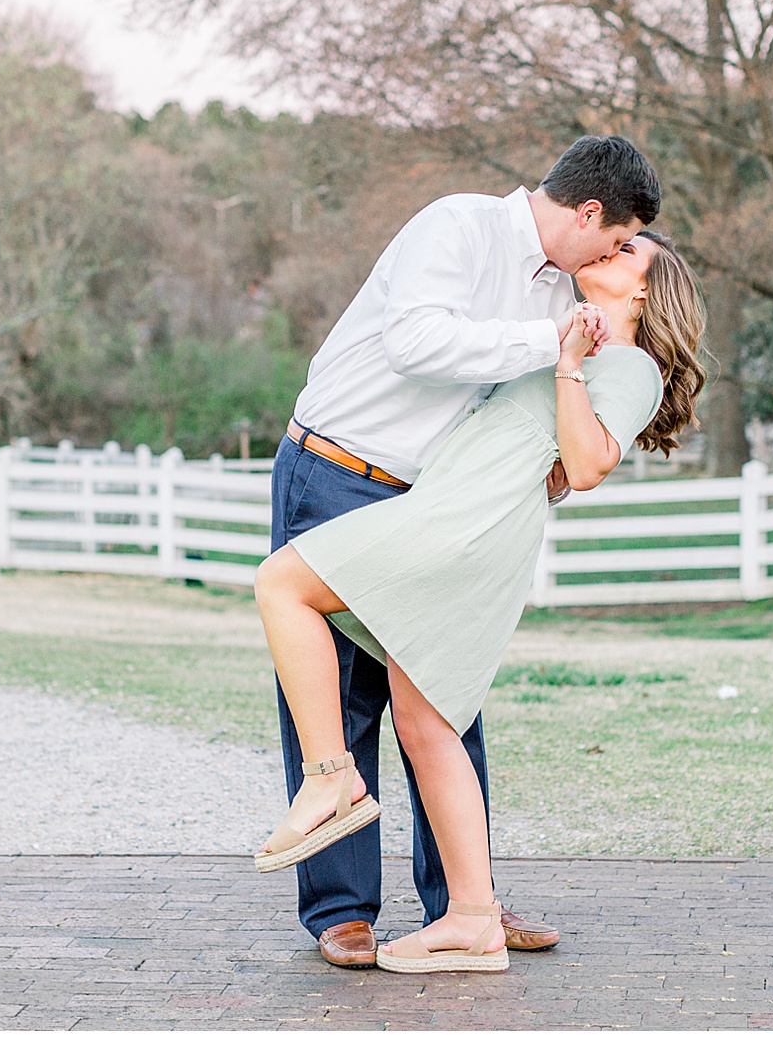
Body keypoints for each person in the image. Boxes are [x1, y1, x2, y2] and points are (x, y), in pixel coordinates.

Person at [260, 135, 662, 970]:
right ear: (588, 213)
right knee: (340, 690)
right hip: (341, 466)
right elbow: (417, 343)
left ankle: (463, 902)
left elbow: (546, 425)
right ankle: (342, 910)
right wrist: (554, 344)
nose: (617, 253)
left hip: (432, 497)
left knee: (447, 700)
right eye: (617, 237)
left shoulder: (569, 289)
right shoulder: (460, 228)